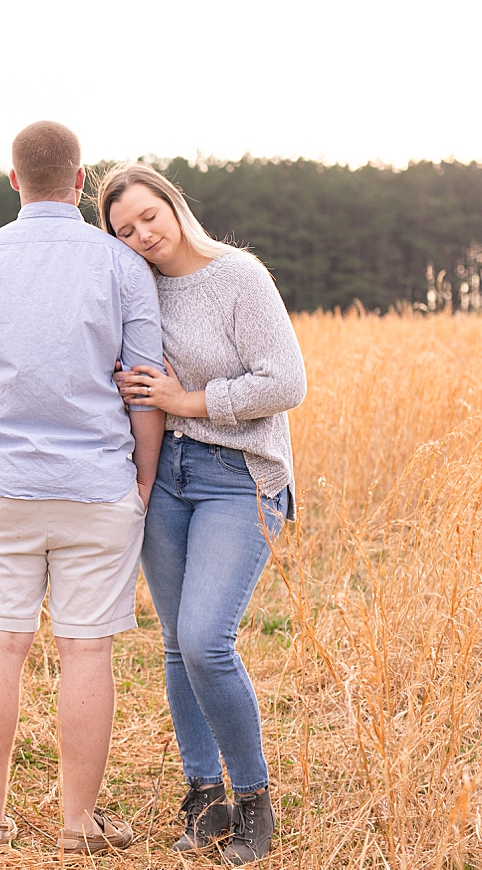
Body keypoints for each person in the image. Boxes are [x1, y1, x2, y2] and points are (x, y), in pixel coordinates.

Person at [0, 121, 166, 854]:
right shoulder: (121, 265)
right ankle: (76, 826)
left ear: (12, 179)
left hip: (1, 484)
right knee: (86, 652)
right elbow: (144, 388)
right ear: (80, 179)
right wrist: (143, 480)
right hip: (98, 485)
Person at [100, 165, 306, 865]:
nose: (142, 235)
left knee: (205, 638)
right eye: (124, 229)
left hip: (236, 475)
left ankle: (253, 799)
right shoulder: (137, 286)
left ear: (175, 204)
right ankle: (203, 792)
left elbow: (285, 380)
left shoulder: (239, 275)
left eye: (149, 216)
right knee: (174, 643)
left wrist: (184, 400)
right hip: (165, 476)